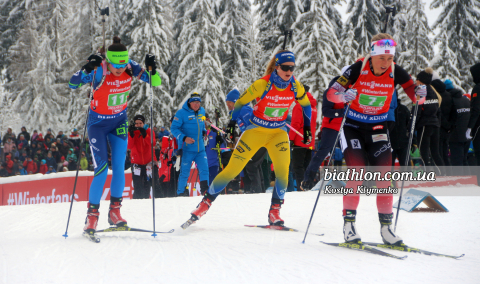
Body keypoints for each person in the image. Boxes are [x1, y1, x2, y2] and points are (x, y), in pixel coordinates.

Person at [183, 50, 312, 228]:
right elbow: (240, 103)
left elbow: (306, 106)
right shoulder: (262, 84)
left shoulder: (295, 86)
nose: (289, 71)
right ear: (277, 66)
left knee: (283, 174)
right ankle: (205, 203)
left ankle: (274, 212)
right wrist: (230, 124)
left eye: (292, 67)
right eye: (285, 67)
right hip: (255, 131)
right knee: (232, 170)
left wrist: (307, 127)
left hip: (278, 133)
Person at [324, 34, 426, 245]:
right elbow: (331, 94)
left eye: (389, 59)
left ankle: (387, 229)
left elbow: (414, 96)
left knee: (384, 179)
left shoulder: (395, 71)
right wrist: (343, 96)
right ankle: (349, 225)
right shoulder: (356, 69)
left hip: (378, 128)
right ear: (372, 55)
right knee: (357, 173)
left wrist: (420, 94)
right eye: (382, 59)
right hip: (352, 127)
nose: (386, 64)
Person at [68, 36, 161, 235]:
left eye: (123, 64)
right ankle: (92, 216)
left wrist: (153, 69)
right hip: (97, 125)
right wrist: (85, 69)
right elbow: (72, 84)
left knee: (119, 168)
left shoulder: (130, 67)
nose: (120, 69)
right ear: (107, 60)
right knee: (101, 170)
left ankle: (115, 212)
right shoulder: (100, 70)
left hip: (118, 122)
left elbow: (156, 82)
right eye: (115, 65)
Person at [300, 67, 347, 190]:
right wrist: (342, 112)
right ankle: (308, 180)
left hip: (345, 128)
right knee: (323, 153)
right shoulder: (330, 92)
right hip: (331, 127)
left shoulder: (350, 93)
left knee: (348, 153)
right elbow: (326, 111)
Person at [171, 93, 209, 196]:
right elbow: (173, 129)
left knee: (204, 169)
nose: (197, 105)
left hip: (200, 149)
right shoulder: (181, 113)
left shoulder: (202, 111)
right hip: (187, 149)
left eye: (198, 102)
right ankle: (181, 192)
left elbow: (202, 125)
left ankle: (205, 191)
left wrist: (204, 131)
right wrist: (184, 138)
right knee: (185, 173)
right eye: (194, 102)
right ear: (189, 103)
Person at [415, 68, 444, 175]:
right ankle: (443, 174)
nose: (416, 82)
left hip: (425, 125)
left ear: (421, 80)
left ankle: (428, 174)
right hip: (435, 124)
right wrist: (438, 124)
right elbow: (438, 111)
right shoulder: (433, 91)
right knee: (435, 152)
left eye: (417, 79)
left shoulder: (421, 89)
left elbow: (417, 109)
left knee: (423, 152)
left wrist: (412, 125)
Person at [289, 85, 317, 191]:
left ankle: (302, 188)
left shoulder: (299, 106)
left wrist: (291, 139)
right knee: (307, 166)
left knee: (298, 166)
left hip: (299, 140)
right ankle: (308, 186)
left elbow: (295, 124)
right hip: (310, 141)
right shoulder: (313, 106)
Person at [127, 114, 160, 199]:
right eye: (136, 123)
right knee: (137, 186)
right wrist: (131, 135)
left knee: (150, 185)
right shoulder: (132, 132)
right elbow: (129, 146)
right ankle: (137, 203)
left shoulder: (149, 131)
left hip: (149, 163)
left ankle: (156, 201)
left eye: (140, 123)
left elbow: (152, 143)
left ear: (143, 123)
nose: (138, 125)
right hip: (136, 163)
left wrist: (145, 135)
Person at [431, 77, 455, 173]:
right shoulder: (449, 95)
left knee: (438, 152)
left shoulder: (436, 97)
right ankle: (449, 173)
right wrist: (450, 126)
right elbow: (454, 112)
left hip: (439, 127)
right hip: (447, 129)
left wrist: (445, 124)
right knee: (445, 153)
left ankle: (441, 173)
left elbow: (438, 113)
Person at [449, 86, 471, 175]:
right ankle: (468, 180)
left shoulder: (452, 102)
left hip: (456, 135)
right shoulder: (466, 100)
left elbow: (451, 118)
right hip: (467, 134)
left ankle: (459, 181)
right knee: (464, 159)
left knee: (457, 160)